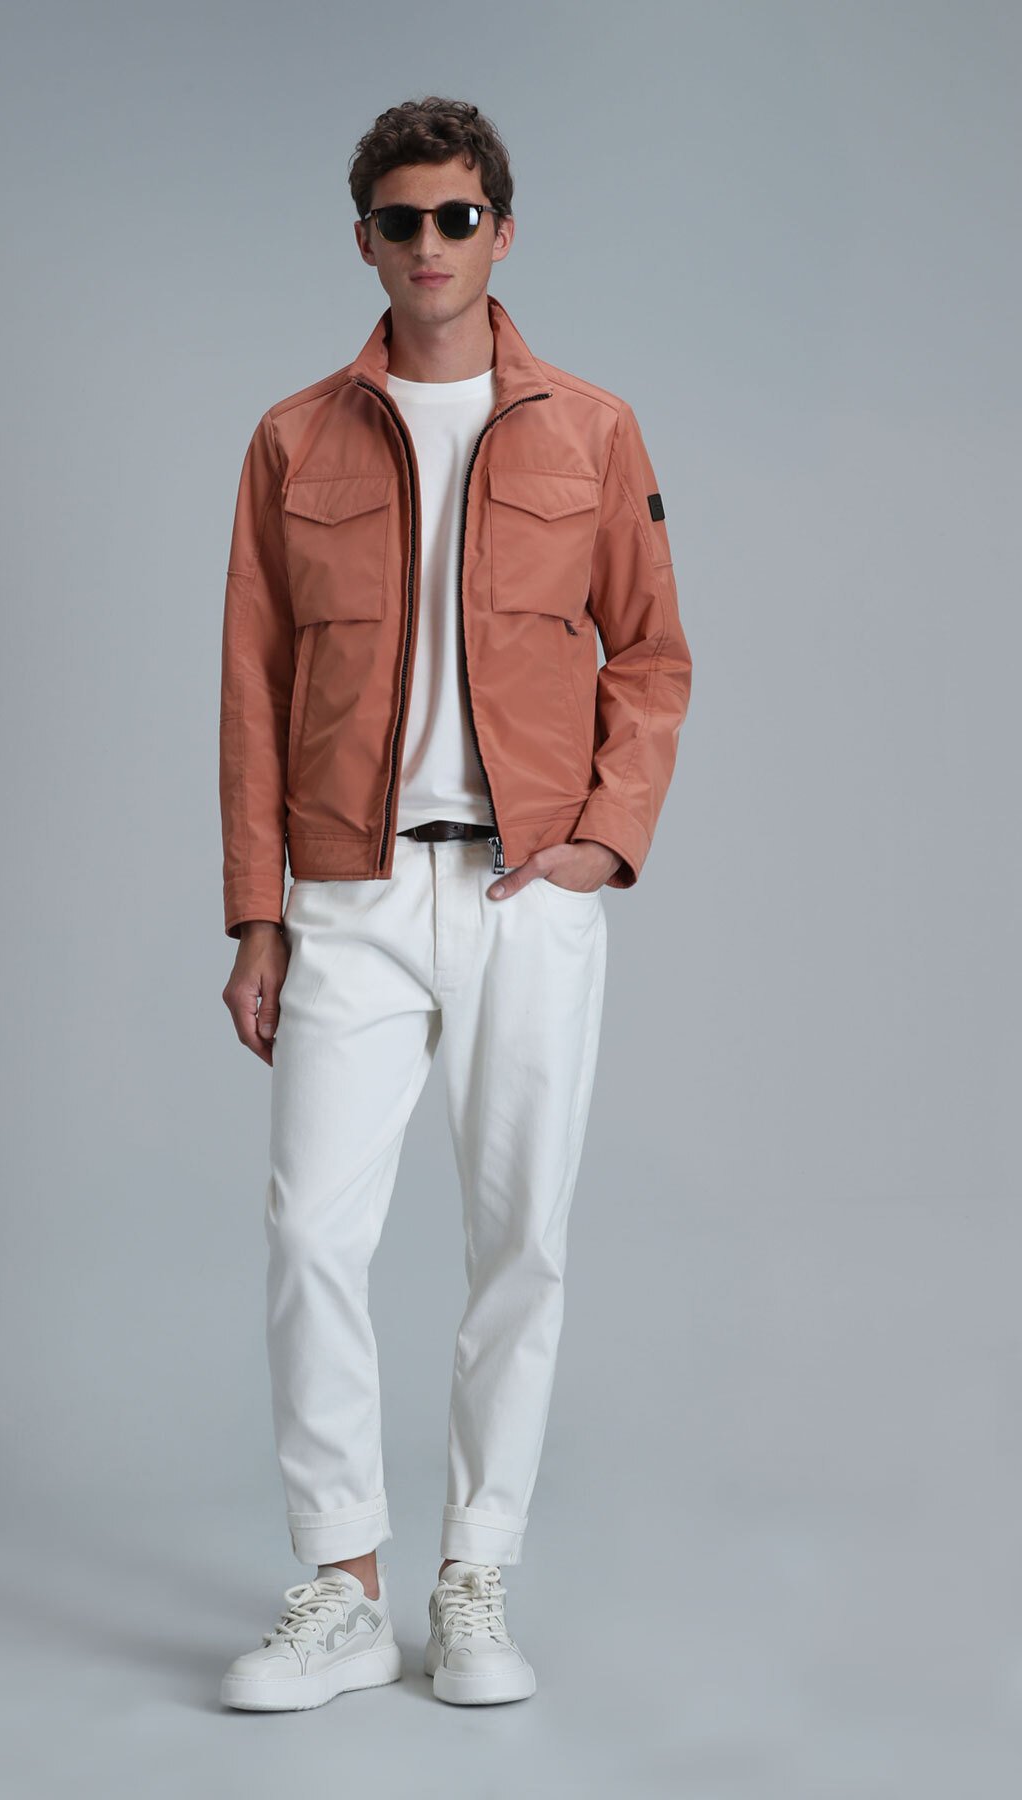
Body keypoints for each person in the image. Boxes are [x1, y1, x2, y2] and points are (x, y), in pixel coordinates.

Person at [216, 96, 692, 1712]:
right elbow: (249, 687)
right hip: (345, 888)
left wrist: (605, 839)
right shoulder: (292, 440)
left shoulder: (593, 431)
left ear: (503, 229)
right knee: (311, 1232)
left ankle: (474, 1578)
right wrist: (258, 914)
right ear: (363, 239)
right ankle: (343, 1589)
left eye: (458, 216)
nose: (431, 245)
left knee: (521, 1244)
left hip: (524, 888)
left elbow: (654, 654)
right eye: (402, 220)